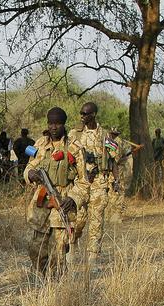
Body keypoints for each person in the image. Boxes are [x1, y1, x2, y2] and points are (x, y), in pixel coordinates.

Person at [24, 108, 89, 276]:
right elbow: (29, 167)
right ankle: (42, 276)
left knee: (58, 252)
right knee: (35, 249)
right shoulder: (39, 144)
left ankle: (55, 286)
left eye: (58, 123)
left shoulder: (74, 148)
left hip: (62, 203)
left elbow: (83, 182)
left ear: (64, 124)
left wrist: (73, 199)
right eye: (51, 123)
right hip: (41, 204)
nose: (54, 127)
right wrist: (30, 174)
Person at [69, 102, 118, 266]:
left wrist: (115, 181)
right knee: (78, 221)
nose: (82, 116)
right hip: (81, 184)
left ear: (94, 114)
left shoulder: (105, 135)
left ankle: (92, 259)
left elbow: (114, 159)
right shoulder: (74, 134)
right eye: (81, 113)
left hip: (99, 183)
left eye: (86, 113)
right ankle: (72, 246)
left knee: (96, 222)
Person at [107, 127, 128, 223]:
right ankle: (113, 215)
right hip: (114, 169)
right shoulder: (113, 142)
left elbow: (116, 158)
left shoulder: (117, 142)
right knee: (112, 192)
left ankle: (117, 215)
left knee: (118, 191)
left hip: (118, 170)